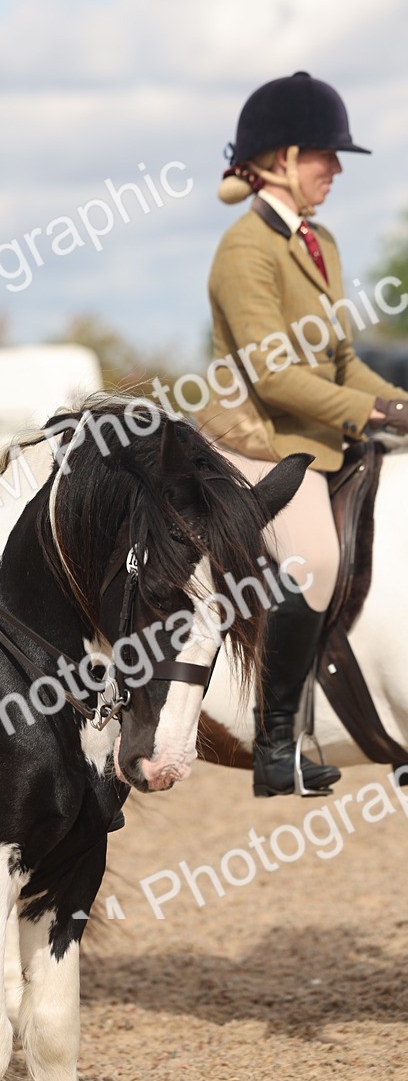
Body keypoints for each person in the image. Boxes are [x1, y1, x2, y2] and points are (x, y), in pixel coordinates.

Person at [196, 71, 408, 797]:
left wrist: (400, 401)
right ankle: (278, 742)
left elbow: (343, 360)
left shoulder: (321, 242)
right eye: (326, 155)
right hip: (260, 441)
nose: (338, 169)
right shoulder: (242, 252)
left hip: (320, 433)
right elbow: (276, 375)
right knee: (314, 555)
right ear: (283, 160)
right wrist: (375, 415)